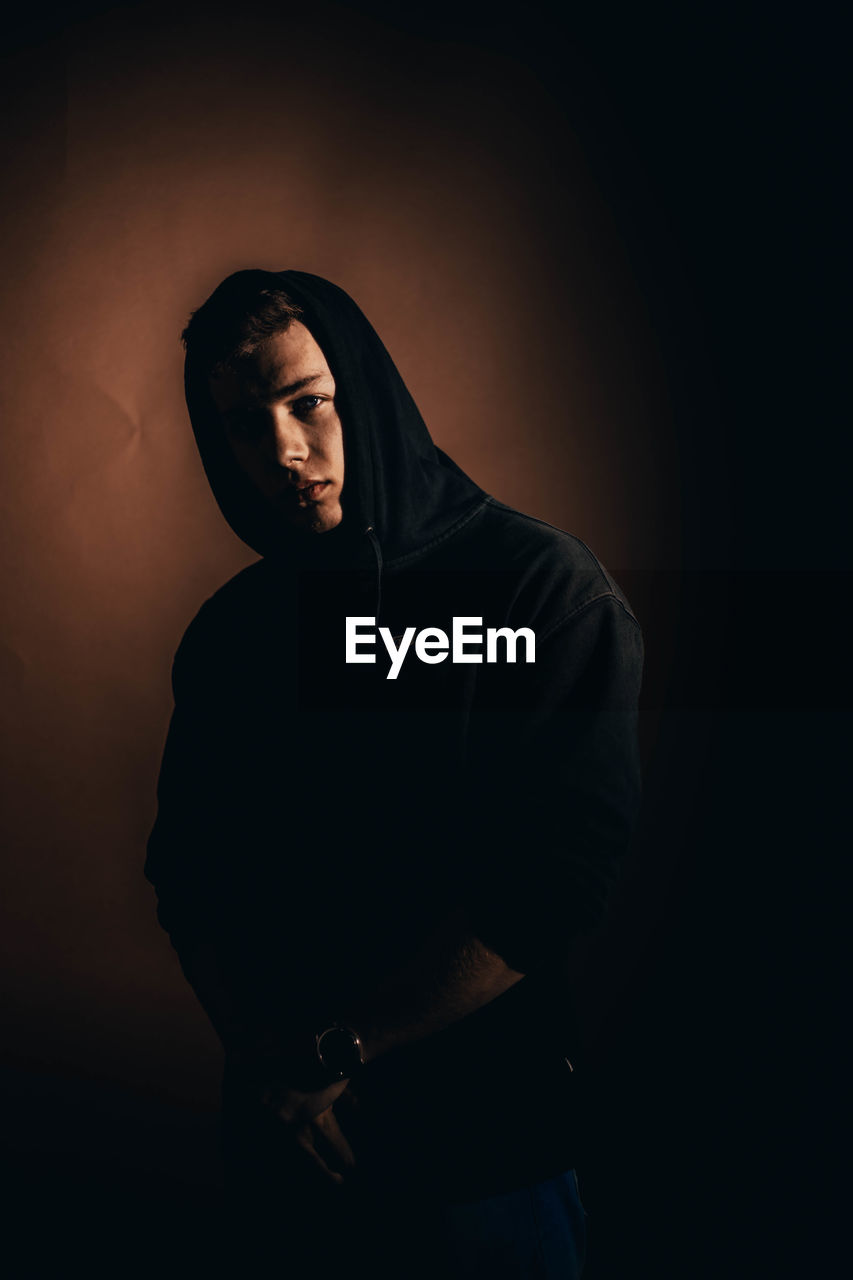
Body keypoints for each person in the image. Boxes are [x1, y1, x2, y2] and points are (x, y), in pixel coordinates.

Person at [145, 269, 643, 1277]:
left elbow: (549, 884)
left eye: (307, 403)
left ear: (361, 391)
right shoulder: (234, 635)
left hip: (486, 1162)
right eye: (245, 425)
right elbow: (188, 873)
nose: (284, 450)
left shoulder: (539, 591)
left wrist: (340, 1048)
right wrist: (268, 1068)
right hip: (294, 1163)